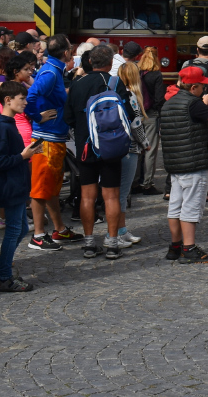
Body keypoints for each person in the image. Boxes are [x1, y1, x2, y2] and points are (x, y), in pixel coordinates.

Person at [63, 44, 132, 260]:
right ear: (111, 63)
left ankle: (89, 243)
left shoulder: (78, 84)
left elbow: (69, 118)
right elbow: (127, 114)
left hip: (85, 146)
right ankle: (112, 243)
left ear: (90, 62)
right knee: (111, 196)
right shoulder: (114, 83)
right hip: (110, 146)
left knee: (87, 196)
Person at [161, 65, 208, 264]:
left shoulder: (170, 102)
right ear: (193, 88)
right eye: (202, 86)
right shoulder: (193, 104)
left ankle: (175, 246)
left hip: (176, 164)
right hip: (193, 163)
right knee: (190, 207)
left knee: (175, 206)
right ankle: (189, 249)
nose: (204, 89)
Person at [25, 35, 80, 252]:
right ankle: (38, 235)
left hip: (53, 138)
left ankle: (59, 228)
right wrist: (37, 117)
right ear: (66, 53)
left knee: (52, 188)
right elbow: (31, 95)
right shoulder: (50, 72)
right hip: (45, 139)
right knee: (40, 189)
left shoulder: (53, 70)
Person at [0, 80, 39, 292]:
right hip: (9, 185)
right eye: (22, 99)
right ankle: (3, 275)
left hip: (15, 182)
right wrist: (22, 155)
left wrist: (26, 153)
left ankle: (2, 270)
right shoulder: (2, 127)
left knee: (22, 228)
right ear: (7, 100)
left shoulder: (6, 124)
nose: (25, 102)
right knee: (15, 229)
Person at [110, 60, 147, 250]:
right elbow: (136, 124)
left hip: (113, 147)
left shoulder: (112, 93)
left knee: (117, 192)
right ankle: (118, 232)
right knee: (122, 193)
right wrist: (145, 143)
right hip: (129, 148)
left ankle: (120, 230)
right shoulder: (130, 95)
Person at [133, 45, 166, 194]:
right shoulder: (156, 75)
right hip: (151, 115)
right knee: (150, 150)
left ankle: (134, 181)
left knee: (137, 148)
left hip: (136, 113)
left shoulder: (137, 73)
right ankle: (146, 183)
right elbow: (159, 99)